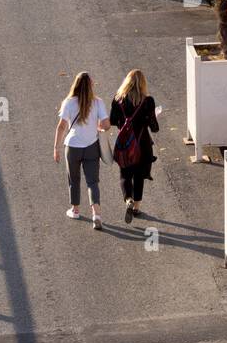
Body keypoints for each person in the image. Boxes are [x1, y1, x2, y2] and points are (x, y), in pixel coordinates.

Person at [53, 71, 112, 231]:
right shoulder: (98, 102)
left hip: (72, 147)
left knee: (73, 179)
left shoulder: (69, 102)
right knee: (93, 181)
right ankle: (97, 214)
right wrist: (98, 127)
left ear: (76, 85)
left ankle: (75, 210)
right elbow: (106, 124)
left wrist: (56, 147)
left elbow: (62, 127)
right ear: (91, 86)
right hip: (92, 146)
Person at [109, 68, 160, 223]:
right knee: (139, 176)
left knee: (125, 174)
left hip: (125, 143)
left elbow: (112, 120)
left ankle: (128, 199)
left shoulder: (118, 99)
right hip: (142, 143)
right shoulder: (148, 101)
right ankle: (137, 207)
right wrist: (151, 116)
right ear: (142, 83)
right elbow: (155, 128)